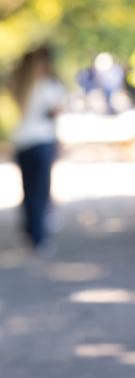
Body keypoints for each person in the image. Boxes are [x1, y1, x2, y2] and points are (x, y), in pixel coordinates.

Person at [7, 45, 66, 255]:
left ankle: (31, 231)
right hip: (41, 143)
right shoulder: (48, 87)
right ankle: (38, 237)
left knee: (29, 190)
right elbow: (57, 112)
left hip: (22, 143)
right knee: (40, 191)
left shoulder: (18, 86)